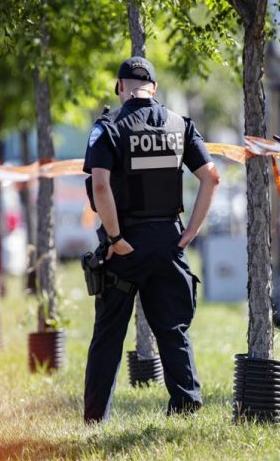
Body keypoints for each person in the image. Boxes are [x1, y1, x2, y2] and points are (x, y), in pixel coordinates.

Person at [82, 56, 220, 423]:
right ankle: (186, 405)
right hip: (168, 240)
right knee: (172, 328)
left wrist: (115, 238)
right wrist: (190, 232)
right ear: (154, 89)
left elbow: (100, 185)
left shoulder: (109, 127)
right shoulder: (180, 124)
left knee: (109, 334)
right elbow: (211, 177)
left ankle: (96, 419)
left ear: (119, 86)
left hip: (125, 244)